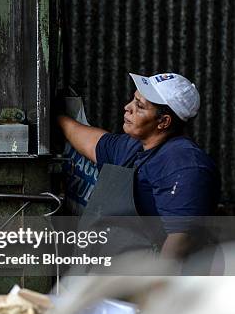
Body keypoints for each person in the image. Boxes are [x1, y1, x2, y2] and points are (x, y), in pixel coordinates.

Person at [58, 73, 220, 261]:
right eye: (133, 100)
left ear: (163, 122)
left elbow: (179, 243)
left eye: (140, 106)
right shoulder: (134, 146)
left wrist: (152, 287)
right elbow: (91, 142)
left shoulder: (184, 164)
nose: (127, 108)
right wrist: (53, 117)